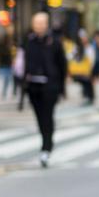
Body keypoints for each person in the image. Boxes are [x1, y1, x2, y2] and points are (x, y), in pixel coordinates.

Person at [23, 12, 68, 167]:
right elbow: (24, 63)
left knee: (48, 116)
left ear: (46, 24)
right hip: (33, 86)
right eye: (36, 23)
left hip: (50, 86)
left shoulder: (54, 42)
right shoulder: (29, 41)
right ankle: (45, 140)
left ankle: (46, 146)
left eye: (41, 23)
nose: (39, 26)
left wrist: (62, 88)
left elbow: (62, 65)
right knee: (39, 117)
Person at [0, 28, 14, 99]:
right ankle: (4, 92)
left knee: (7, 79)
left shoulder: (8, 46)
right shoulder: (5, 46)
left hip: (6, 65)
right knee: (6, 79)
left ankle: (5, 93)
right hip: (4, 64)